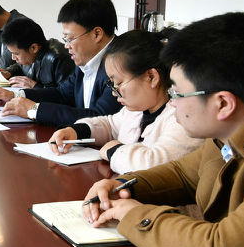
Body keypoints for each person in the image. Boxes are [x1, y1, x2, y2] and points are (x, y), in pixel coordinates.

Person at [82, 12, 244, 247]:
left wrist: (133, 215)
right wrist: (123, 185)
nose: (171, 103)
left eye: (177, 93)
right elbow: (184, 174)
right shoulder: (228, 131)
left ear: (223, 104)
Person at [49, 30, 203, 173]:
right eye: (112, 84)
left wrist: (113, 150)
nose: (114, 91)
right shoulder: (136, 111)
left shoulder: (181, 119)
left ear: (151, 77)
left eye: (119, 83)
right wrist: (75, 131)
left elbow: (154, 165)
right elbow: (109, 125)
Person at [0, 0, 121, 127]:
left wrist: (34, 110)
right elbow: (62, 94)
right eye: (65, 39)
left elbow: (100, 118)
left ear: (97, 34)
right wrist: (15, 96)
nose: (67, 46)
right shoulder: (86, 60)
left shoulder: (121, 64)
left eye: (70, 39)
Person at [0, 17, 74, 89]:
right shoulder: (31, 55)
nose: (13, 58)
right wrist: (7, 72)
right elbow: (20, 66)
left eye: (16, 54)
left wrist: (34, 86)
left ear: (34, 48)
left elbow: (66, 97)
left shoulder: (59, 58)